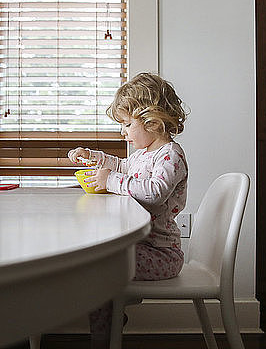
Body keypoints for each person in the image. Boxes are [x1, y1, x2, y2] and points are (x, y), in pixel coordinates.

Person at [67, 72, 189, 348]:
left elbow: (155, 192)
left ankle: (104, 336)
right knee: (96, 260)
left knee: (98, 267)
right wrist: (94, 157)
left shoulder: (171, 154)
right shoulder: (143, 154)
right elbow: (123, 167)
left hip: (162, 254)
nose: (122, 131)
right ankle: (109, 323)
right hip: (140, 248)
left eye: (126, 124)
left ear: (153, 121)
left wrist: (109, 179)